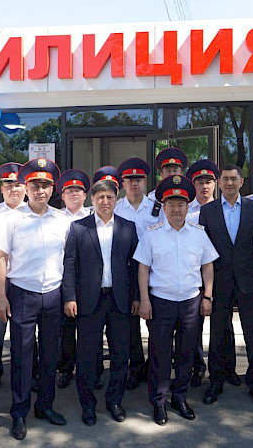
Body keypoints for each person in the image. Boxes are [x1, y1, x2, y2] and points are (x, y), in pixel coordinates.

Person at [0, 158, 70, 441]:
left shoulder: (62, 220)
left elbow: (69, 260)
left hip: (53, 294)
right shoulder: (12, 220)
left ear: (52, 189)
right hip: (22, 293)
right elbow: (0, 258)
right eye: (35, 186)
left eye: (46, 186)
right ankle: (19, 412)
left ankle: (45, 406)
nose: (41, 191)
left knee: (50, 354)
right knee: (22, 356)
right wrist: (1, 296)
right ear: (26, 188)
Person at [135, 175, 218, 426]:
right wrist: (144, 300)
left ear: (188, 207)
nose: (176, 209)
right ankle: (159, 401)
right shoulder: (152, 235)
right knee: (159, 354)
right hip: (161, 301)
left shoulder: (198, 234)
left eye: (181, 204)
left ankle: (179, 398)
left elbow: (207, 266)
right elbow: (143, 269)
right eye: (171, 204)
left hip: (191, 301)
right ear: (164, 207)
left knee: (186, 353)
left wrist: (207, 296)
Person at [62, 177, 139, 426]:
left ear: (116, 200)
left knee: (120, 354)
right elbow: (70, 264)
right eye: (100, 197)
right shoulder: (78, 227)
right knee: (86, 356)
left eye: (110, 197)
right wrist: (70, 297)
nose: (105, 201)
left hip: (119, 300)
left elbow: (135, 266)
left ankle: (114, 400)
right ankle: (88, 405)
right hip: (88, 301)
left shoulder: (128, 227)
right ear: (92, 200)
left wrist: (136, 297)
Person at [199, 164, 253, 407]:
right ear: (219, 183)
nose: (229, 183)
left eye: (233, 179)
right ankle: (216, 380)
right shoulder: (207, 211)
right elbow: (203, 250)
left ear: (242, 182)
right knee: (218, 334)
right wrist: (205, 289)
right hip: (219, 282)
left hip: (250, 281)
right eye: (225, 179)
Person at [55, 169, 105, 391]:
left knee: (92, 331)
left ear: (86, 195)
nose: (74, 193)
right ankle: (66, 369)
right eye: (69, 190)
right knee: (66, 331)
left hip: (89, 283)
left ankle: (95, 370)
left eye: (78, 190)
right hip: (63, 281)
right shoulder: (54, 218)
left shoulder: (95, 217)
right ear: (62, 195)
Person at [0, 163, 32, 397]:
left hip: (25, 282)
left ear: (26, 188)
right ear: (1, 188)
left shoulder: (34, 212)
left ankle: (30, 376)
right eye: (8, 184)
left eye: (18, 184)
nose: (14, 189)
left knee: (27, 336)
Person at [114, 158, 158, 390]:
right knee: (130, 327)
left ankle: (154, 367)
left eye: (139, 179)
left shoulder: (157, 207)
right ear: (122, 183)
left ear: (145, 181)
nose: (134, 183)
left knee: (156, 325)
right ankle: (136, 367)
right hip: (126, 273)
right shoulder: (116, 208)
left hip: (154, 272)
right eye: (130, 179)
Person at [184, 159, 225, 387]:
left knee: (222, 325)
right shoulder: (186, 211)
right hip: (194, 277)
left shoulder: (223, 208)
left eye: (208, 181)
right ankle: (197, 367)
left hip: (222, 275)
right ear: (193, 184)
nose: (204, 186)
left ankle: (224, 368)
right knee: (194, 327)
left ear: (215, 184)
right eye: (199, 182)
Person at [147, 148, 188, 223]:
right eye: (168, 171)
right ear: (161, 174)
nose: (172, 174)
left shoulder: (189, 198)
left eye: (175, 170)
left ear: (181, 174)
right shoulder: (152, 199)